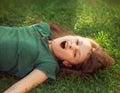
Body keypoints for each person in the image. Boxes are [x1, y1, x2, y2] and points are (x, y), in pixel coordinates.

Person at [0, 23, 113, 93]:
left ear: (67, 63)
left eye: (75, 53)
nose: (72, 46)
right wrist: (95, 47)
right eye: (77, 41)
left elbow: (21, 87)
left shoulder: (48, 64)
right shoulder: (43, 28)